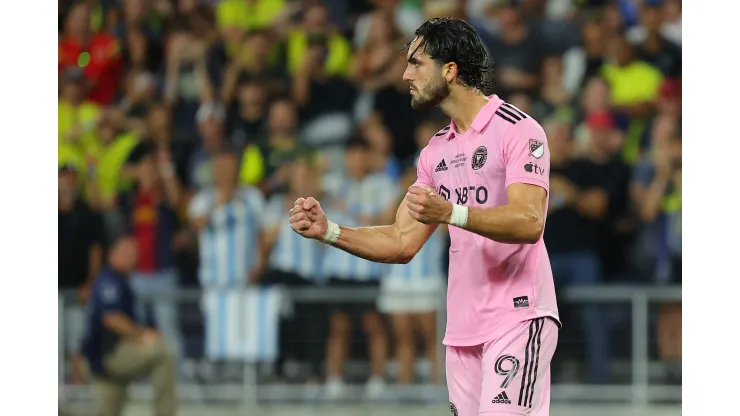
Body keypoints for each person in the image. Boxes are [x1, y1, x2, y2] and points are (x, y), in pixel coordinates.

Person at [289, 17, 560, 415]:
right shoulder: (435, 153)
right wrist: (328, 231)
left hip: (518, 317)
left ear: (449, 69)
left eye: (417, 63)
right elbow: (401, 241)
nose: (405, 74)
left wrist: (452, 212)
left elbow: (529, 221)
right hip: (462, 331)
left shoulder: (519, 131)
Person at [81, 236, 176, 416]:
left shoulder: (122, 280)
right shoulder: (109, 280)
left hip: (106, 361)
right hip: (109, 354)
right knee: (164, 353)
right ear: (113, 255)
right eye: (127, 253)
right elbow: (111, 318)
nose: (133, 257)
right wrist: (142, 334)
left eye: (134, 253)